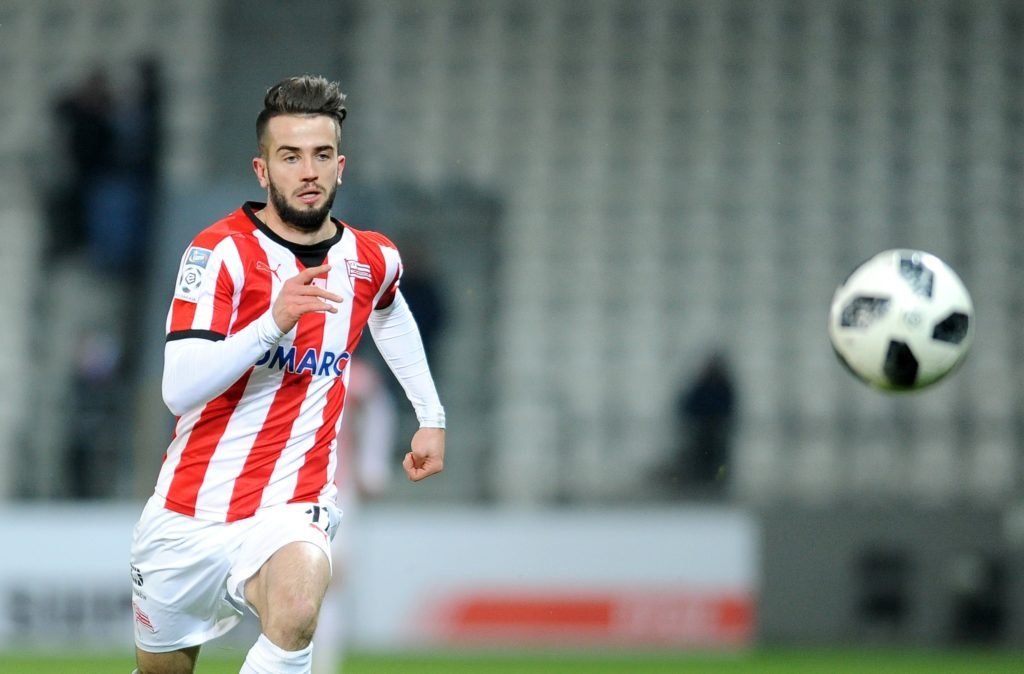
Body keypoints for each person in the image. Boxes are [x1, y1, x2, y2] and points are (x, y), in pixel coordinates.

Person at [128, 75, 446, 674]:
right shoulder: (219, 252)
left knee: (298, 608)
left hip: (293, 506)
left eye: (322, 155)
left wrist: (430, 415)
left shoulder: (371, 258)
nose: (308, 171)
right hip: (188, 511)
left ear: (340, 166)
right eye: (290, 156)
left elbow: (390, 310)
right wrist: (272, 324)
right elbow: (178, 388)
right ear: (262, 169)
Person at [312, 357, 396, 674]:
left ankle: (323, 664)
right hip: (284, 489)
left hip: (335, 489)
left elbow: (378, 412)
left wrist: (372, 466)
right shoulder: (285, 363)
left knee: (330, 578)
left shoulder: (352, 374)